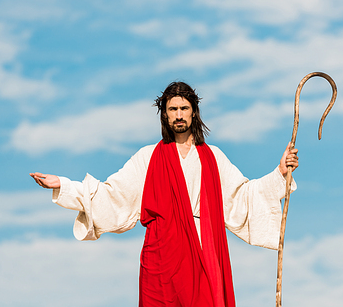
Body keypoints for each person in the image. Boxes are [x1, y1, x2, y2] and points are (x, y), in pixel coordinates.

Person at [30, 81, 299, 307]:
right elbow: (113, 196)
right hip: (162, 258)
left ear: (194, 113)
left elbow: (242, 197)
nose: (179, 114)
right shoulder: (147, 158)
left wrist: (280, 172)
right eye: (173, 109)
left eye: (184, 108)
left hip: (204, 251)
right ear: (165, 115)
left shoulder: (213, 158)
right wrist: (64, 185)